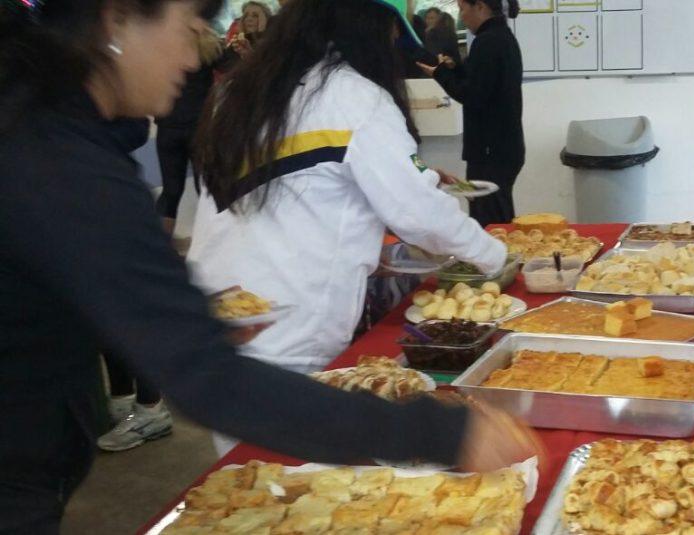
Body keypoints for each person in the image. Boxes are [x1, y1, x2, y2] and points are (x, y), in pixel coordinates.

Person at [0, 0, 540, 531]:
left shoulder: (227, 92)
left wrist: (186, 312)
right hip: (265, 354)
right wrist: (443, 432)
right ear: (117, 17)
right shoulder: (56, 157)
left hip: (238, 329)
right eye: (188, 25)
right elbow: (208, 378)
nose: (192, 56)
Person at [189, 0, 508, 455]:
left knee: (247, 476)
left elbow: (287, 197)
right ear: (364, 27)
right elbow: (421, 213)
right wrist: (496, 256)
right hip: (292, 336)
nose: (392, 48)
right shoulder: (353, 96)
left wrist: (363, 245)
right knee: (293, 484)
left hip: (220, 328)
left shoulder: (241, 89)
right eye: (391, 34)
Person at [418, 0, 525, 228]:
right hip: (501, 148)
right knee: (494, 216)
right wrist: (454, 69)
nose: (461, 15)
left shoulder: (488, 42)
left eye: (463, 8)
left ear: (480, 7)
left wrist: (440, 74)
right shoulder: (500, 37)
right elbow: (481, 82)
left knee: (490, 223)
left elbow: (472, 94)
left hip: (490, 152)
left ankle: (496, 252)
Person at [155, 24, 222, 234]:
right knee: (206, 190)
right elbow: (236, 69)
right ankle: (207, 242)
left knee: (170, 192)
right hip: (198, 128)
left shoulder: (164, 47)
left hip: (168, 127)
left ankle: (162, 245)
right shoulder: (210, 48)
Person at [216, 1, 271, 75]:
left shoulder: (273, 42)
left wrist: (261, 32)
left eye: (255, 16)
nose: (249, 19)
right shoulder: (240, 42)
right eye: (246, 16)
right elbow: (223, 66)